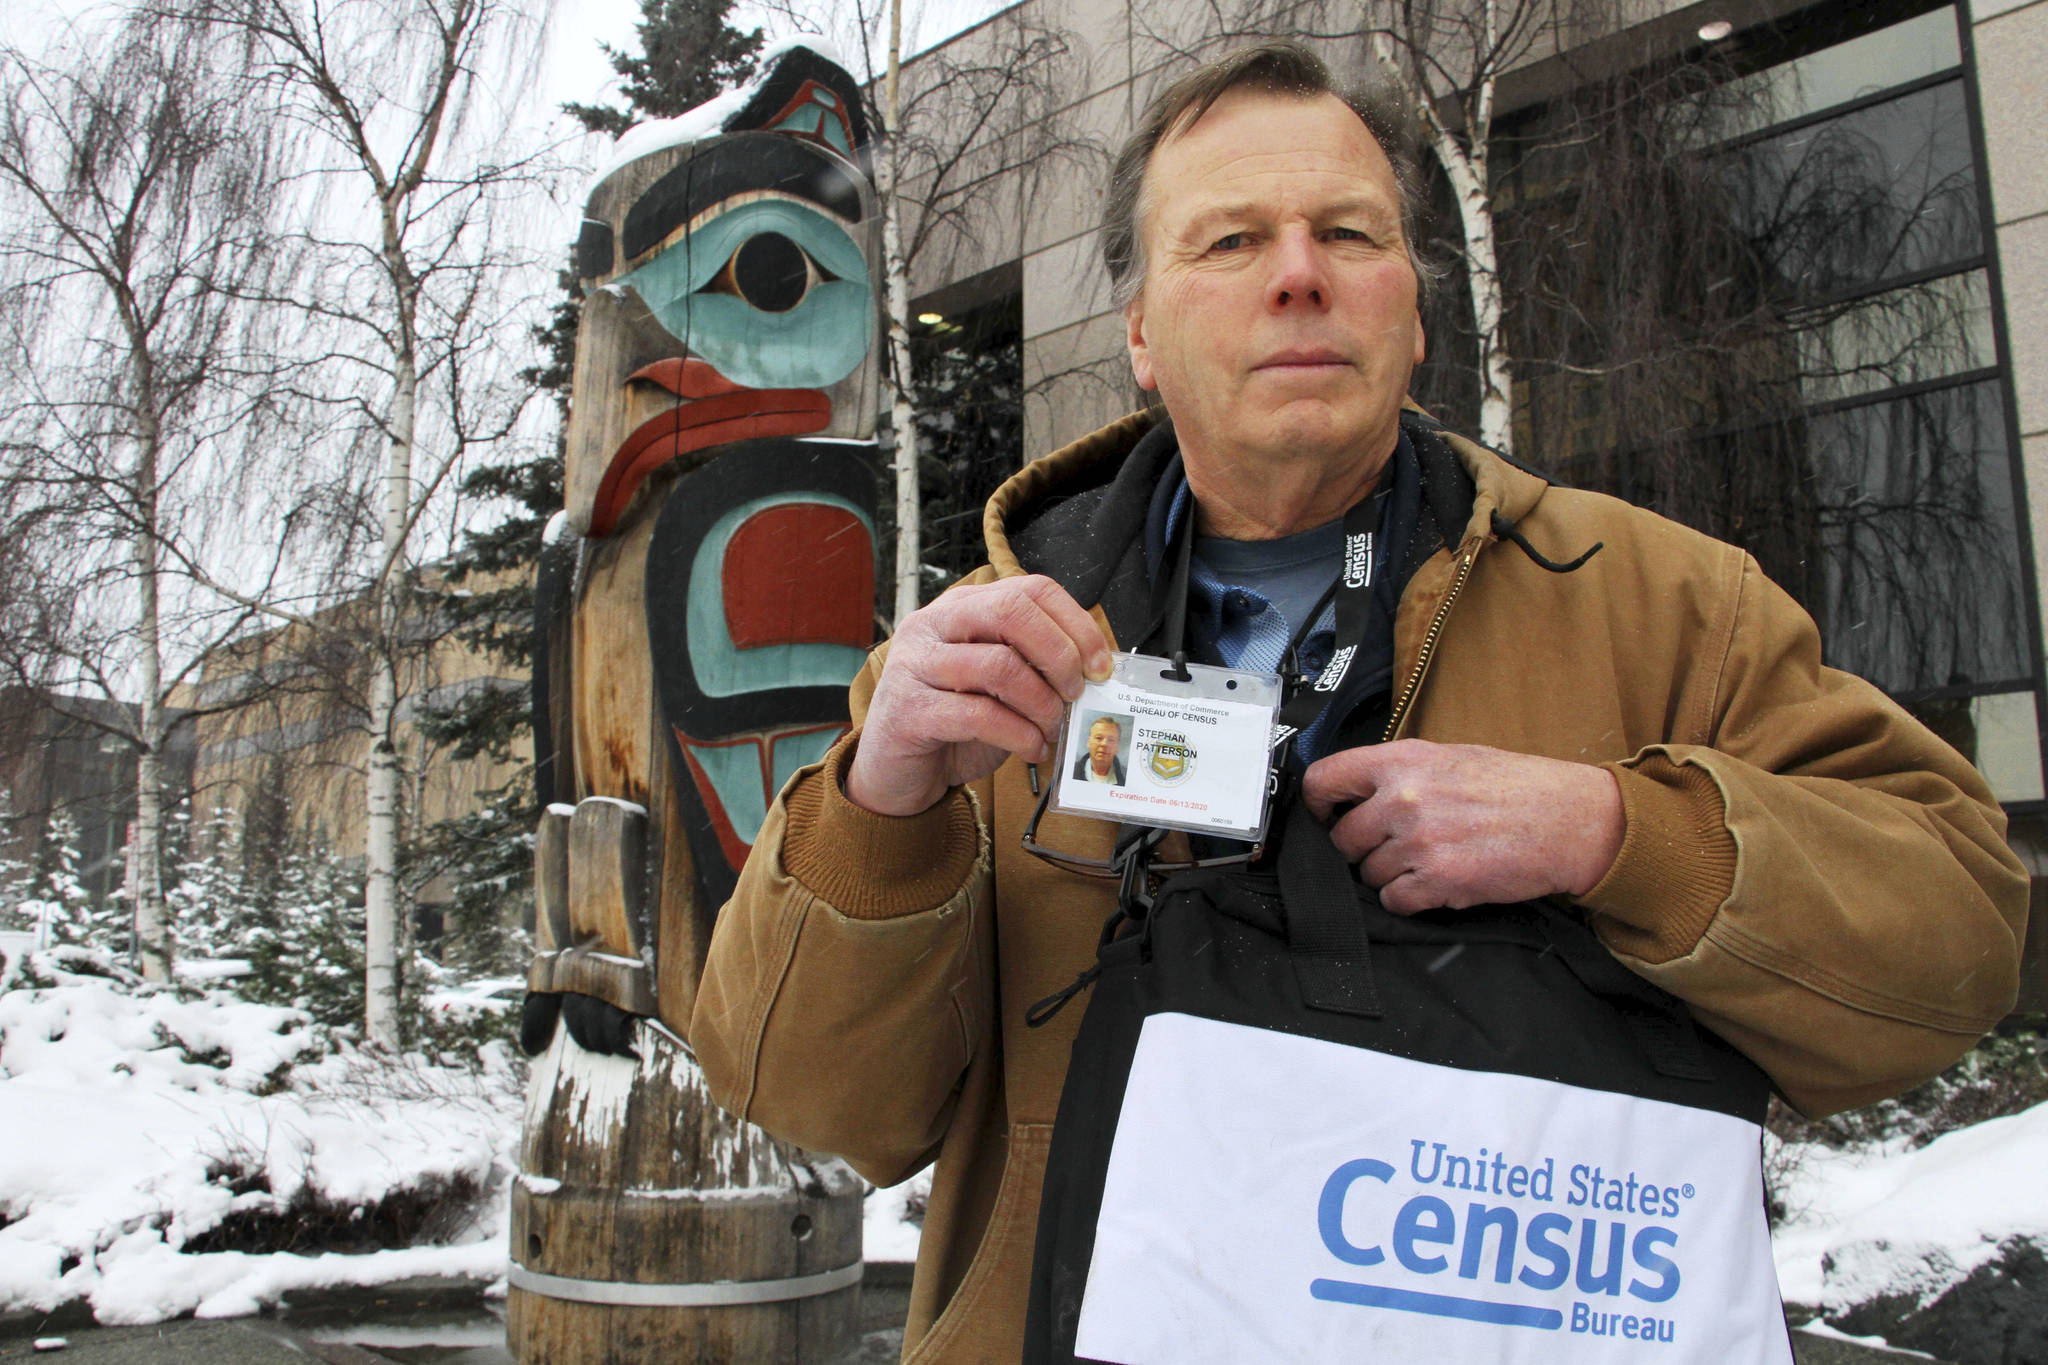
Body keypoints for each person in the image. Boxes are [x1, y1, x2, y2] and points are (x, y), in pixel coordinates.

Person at [689, 42, 2028, 1363]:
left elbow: (1953, 952)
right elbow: (812, 1104)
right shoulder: (979, 667)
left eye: (1349, 231)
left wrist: (1620, 832)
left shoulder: (1668, 603)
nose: (1297, 275)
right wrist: (882, 801)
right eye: (1228, 242)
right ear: (1142, 335)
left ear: (1418, 312)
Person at [1072, 715, 1127, 785]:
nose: (1104, 744)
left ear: (1117, 746)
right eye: (1099, 738)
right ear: (1088, 742)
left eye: (1111, 740)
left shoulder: (1127, 778)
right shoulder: (1070, 771)